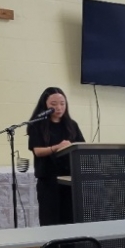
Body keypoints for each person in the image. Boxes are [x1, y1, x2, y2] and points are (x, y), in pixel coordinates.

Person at [27, 87, 85, 226]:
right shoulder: (37, 125)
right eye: (54, 104)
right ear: (45, 105)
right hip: (48, 180)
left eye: (62, 103)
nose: (59, 108)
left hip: (69, 179)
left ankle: (71, 242)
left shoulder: (72, 125)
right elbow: (37, 151)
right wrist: (57, 147)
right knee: (50, 220)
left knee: (70, 220)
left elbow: (81, 147)